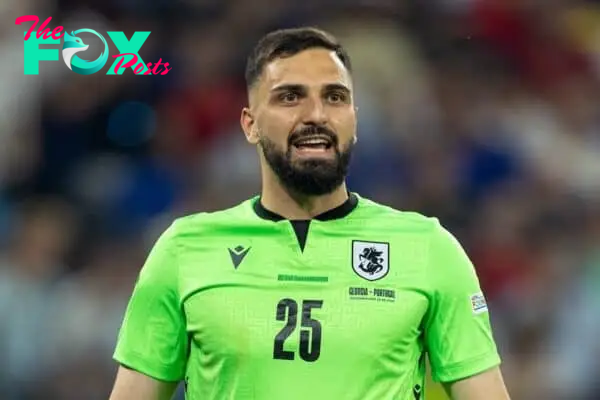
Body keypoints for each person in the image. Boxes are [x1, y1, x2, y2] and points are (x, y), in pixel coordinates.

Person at [108, 27, 511, 400]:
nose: (316, 115)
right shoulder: (184, 250)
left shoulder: (428, 248)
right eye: (289, 97)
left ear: (354, 121)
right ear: (250, 124)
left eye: (334, 97)